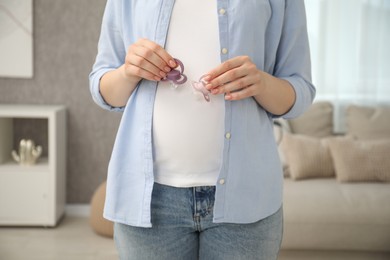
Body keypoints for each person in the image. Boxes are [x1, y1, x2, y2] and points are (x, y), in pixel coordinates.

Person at [89, 0, 315, 259]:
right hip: (150, 202)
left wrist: (261, 83)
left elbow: (301, 90)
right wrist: (128, 72)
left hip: (246, 196)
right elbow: (102, 86)